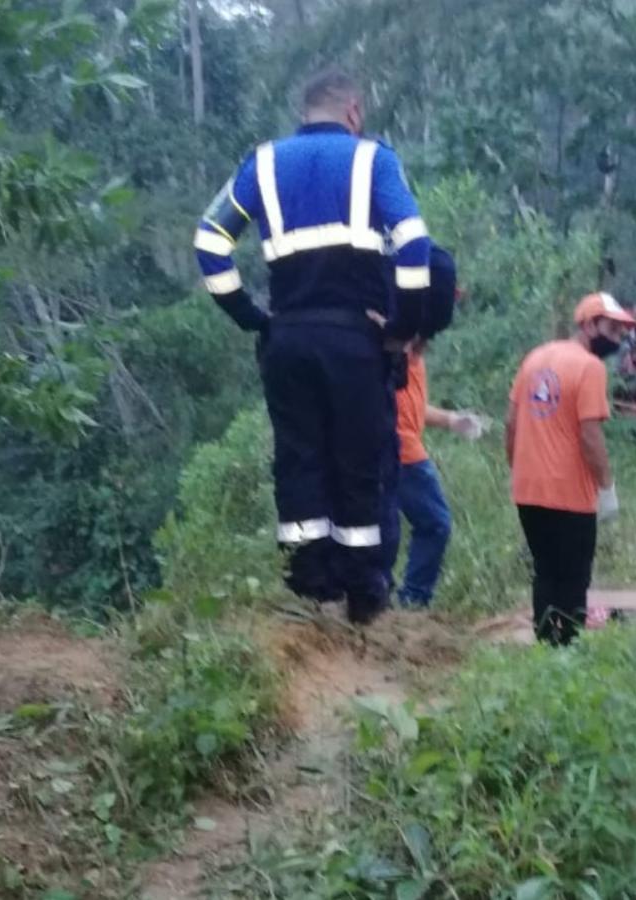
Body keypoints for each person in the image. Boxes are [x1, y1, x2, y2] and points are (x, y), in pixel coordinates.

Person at [194, 67, 433, 624]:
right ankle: (365, 596)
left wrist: (252, 318)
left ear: (307, 111)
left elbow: (210, 240)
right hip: (355, 340)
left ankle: (310, 591)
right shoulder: (374, 160)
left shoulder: (264, 163)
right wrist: (401, 328)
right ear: (353, 110)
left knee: (300, 459)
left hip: (289, 339)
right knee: (361, 460)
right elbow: (415, 245)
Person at [506, 292, 635, 646]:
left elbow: (511, 422)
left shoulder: (535, 358)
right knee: (574, 578)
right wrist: (606, 486)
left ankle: (545, 645)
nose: (618, 337)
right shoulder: (590, 367)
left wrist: (516, 468)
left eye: (622, 331)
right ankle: (567, 650)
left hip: (528, 490)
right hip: (570, 496)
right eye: (612, 328)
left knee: (545, 571)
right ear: (589, 324)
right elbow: (590, 434)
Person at [384, 343, 486, 607]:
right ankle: (412, 600)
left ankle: (387, 595)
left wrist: (452, 420)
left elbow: (410, 407)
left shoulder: (412, 354)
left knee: (387, 524)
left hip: (393, 449)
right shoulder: (396, 351)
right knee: (433, 523)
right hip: (402, 451)